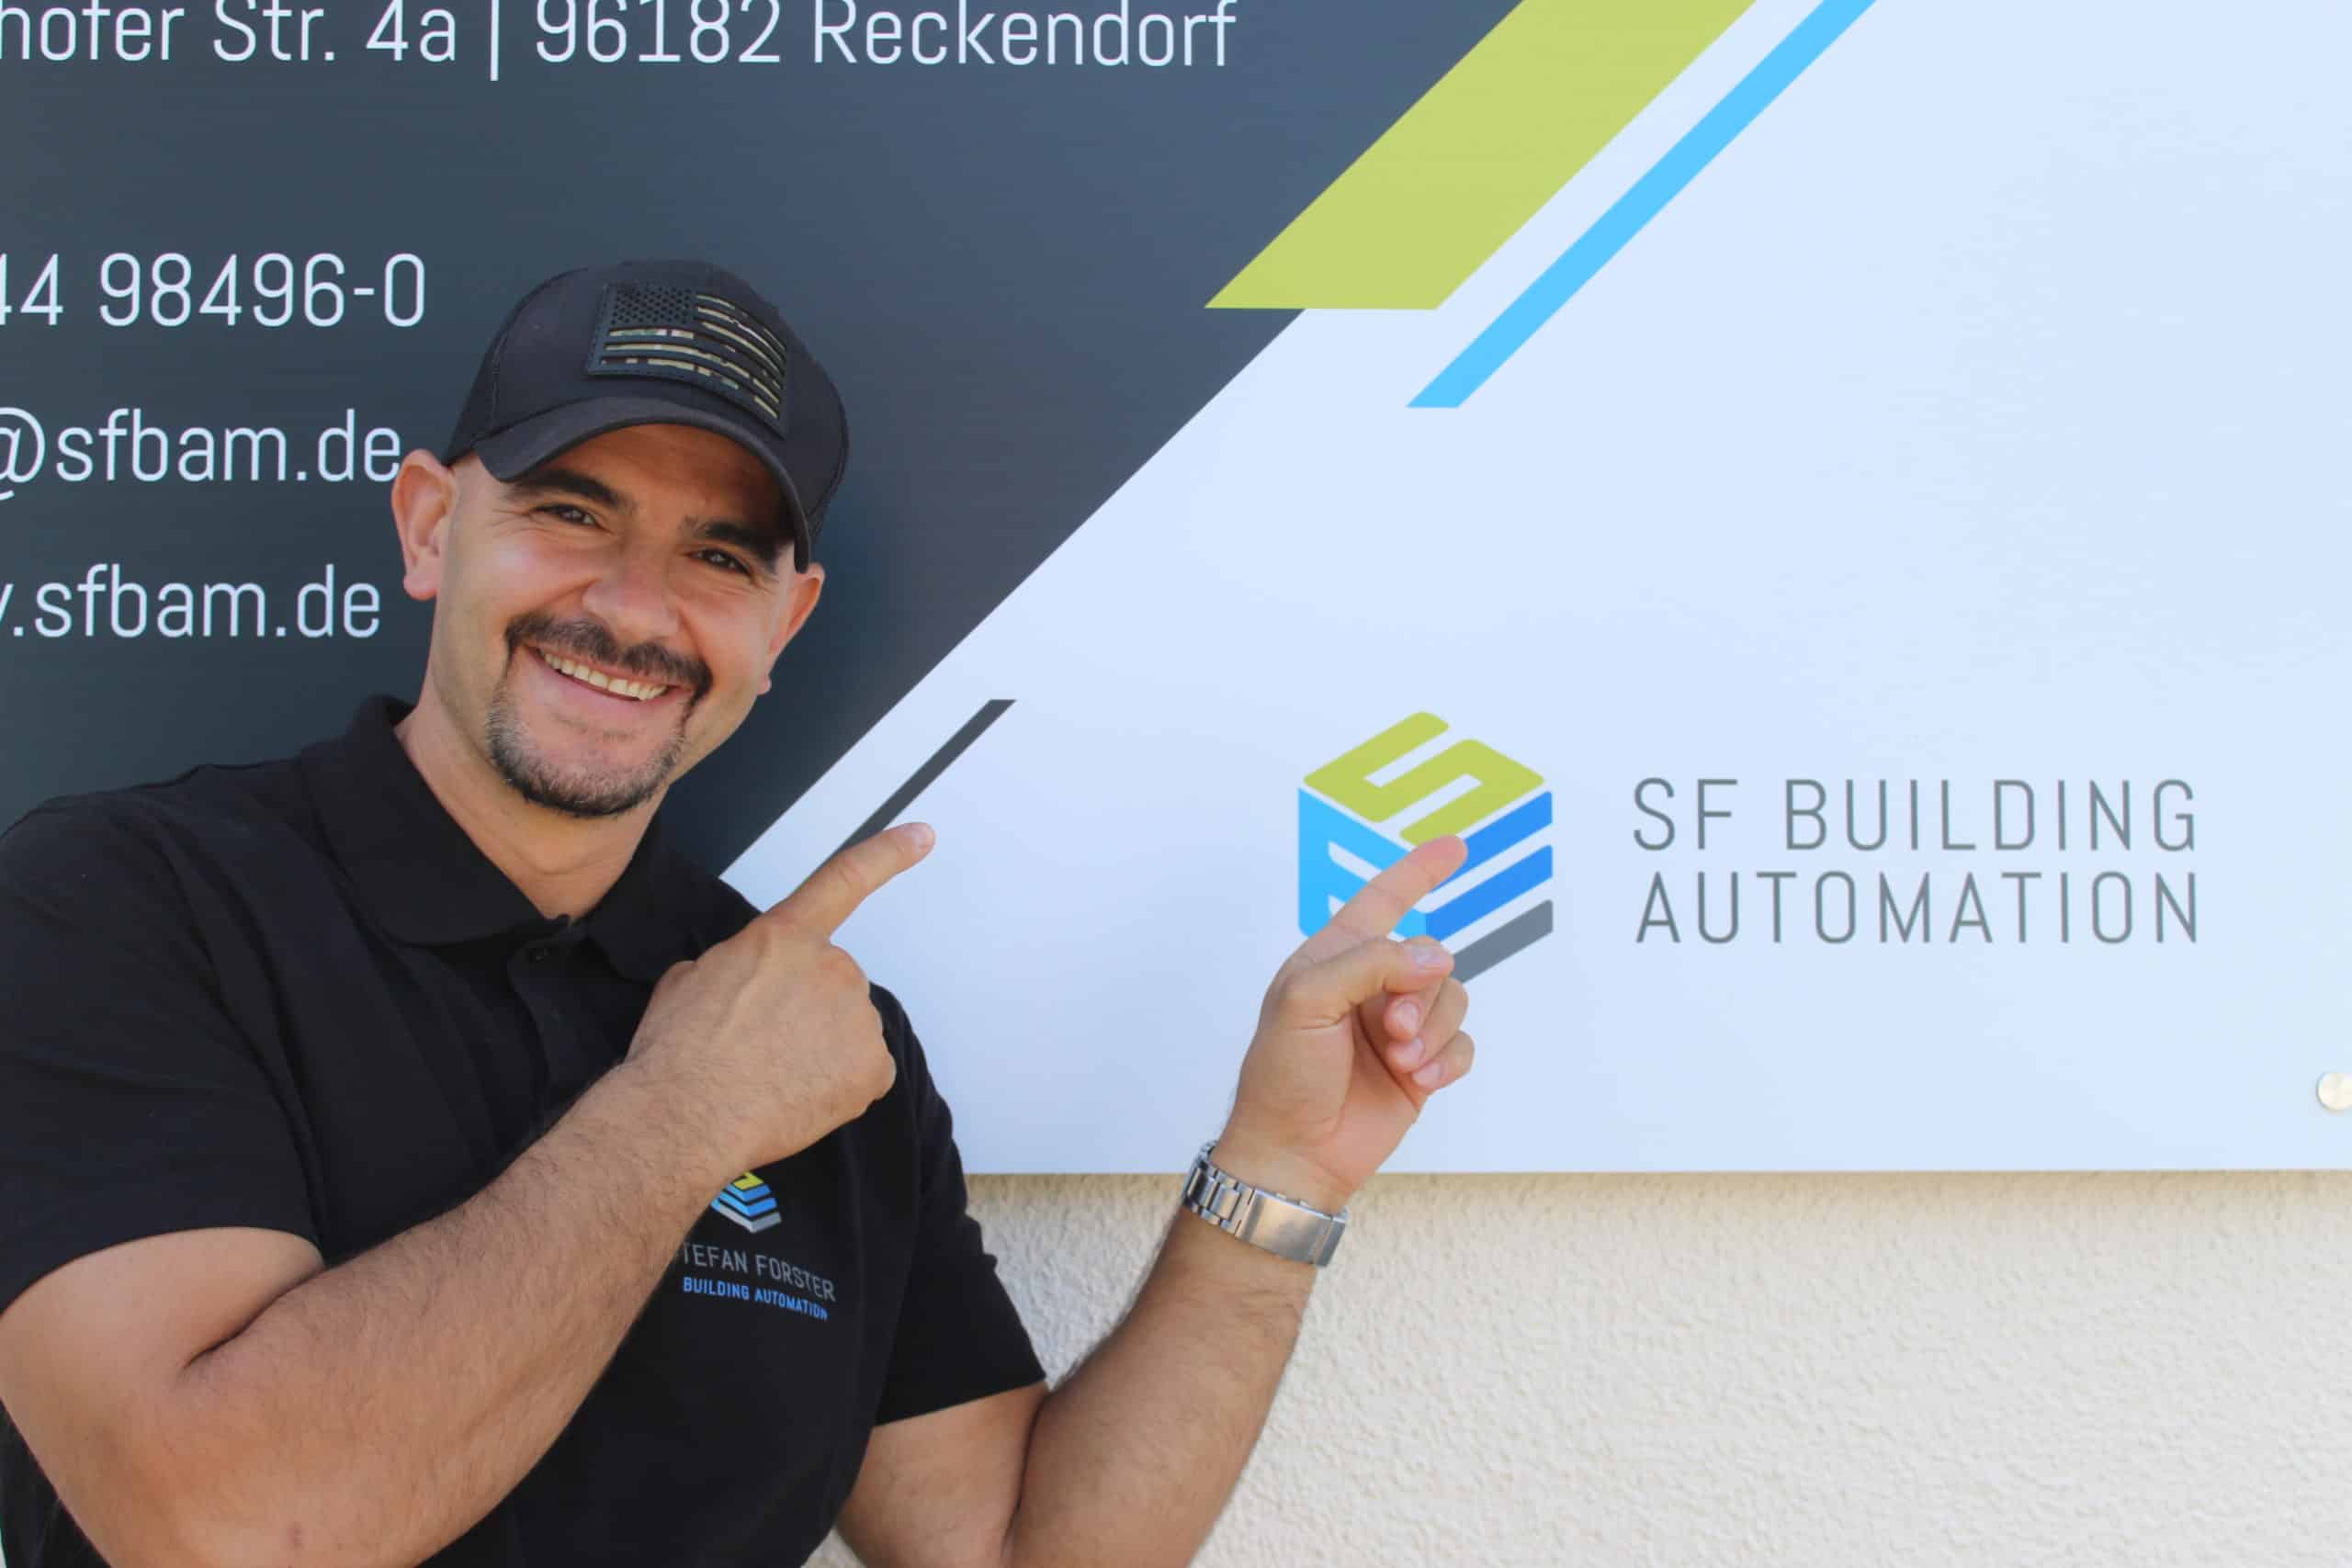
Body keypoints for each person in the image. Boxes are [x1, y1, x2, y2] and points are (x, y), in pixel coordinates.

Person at [0, 260, 1476, 1568]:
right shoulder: (121, 906)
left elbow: (1014, 1552)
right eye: (571, 511)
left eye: (718, 556)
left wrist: (1277, 1176)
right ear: (432, 525)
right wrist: (685, 1115)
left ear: (787, 621)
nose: (635, 609)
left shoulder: (822, 1035)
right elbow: (220, 1533)